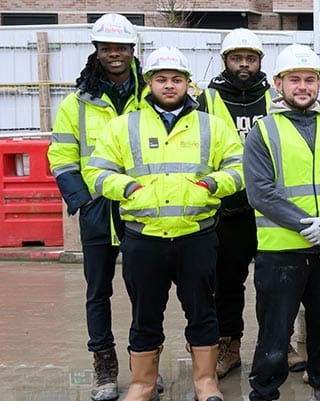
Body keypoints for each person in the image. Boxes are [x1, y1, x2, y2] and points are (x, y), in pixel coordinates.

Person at [83, 47, 242, 401]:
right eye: (161, 79)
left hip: (196, 235)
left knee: (203, 312)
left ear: (188, 83)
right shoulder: (124, 126)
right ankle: (142, 385)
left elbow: (238, 166)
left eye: (176, 79)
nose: (169, 85)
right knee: (145, 316)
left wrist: (211, 185)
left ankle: (205, 382)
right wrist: (128, 188)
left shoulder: (211, 125)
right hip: (144, 238)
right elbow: (96, 172)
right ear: (149, 83)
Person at [243, 44, 320, 401]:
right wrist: (308, 225)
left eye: (310, 79)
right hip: (281, 251)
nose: (303, 87)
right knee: (275, 332)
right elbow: (260, 192)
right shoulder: (263, 132)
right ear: (278, 83)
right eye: (294, 79)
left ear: (319, 84)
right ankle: (264, 392)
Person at [47, 13, 145, 401]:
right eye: (107, 48)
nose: (114, 54)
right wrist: (83, 201)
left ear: (132, 50)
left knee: (145, 293)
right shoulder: (76, 103)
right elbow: (62, 156)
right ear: (97, 51)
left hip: (142, 208)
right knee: (98, 292)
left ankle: (144, 368)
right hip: (98, 210)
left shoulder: (150, 96)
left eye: (121, 47)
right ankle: (104, 365)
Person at [195, 27, 298, 378]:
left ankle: (279, 344)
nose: (244, 65)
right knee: (227, 283)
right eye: (237, 58)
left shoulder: (276, 98)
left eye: (250, 59)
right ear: (225, 61)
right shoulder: (206, 100)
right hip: (228, 209)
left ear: (260, 62)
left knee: (276, 282)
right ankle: (229, 345)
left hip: (270, 208)